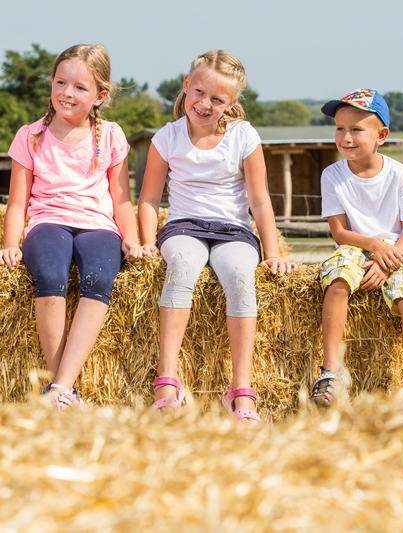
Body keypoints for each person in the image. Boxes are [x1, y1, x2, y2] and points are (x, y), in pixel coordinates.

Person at [138, 50, 294, 424]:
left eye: (218, 99)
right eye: (200, 93)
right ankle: (167, 382)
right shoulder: (168, 136)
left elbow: (259, 200)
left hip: (234, 231)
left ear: (232, 104)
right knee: (183, 266)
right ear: (186, 86)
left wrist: (271, 251)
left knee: (242, 277)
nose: (205, 104)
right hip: (184, 227)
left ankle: (241, 391)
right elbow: (146, 199)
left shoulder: (244, 136)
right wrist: (147, 241)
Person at [0, 43, 147, 410]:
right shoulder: (30, 136)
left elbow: (122, 199)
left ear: (100, 95)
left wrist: (133, 240)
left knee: (98, 278)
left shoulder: (110, 136)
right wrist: (10, 242)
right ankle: (60, 390)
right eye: (61, 82)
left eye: (80, 87)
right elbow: (17, 202)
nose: (67, 93)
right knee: (50, 274)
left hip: (98, 225)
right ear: (51, 84)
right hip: (48, 221)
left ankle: (59, 387)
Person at [312, 88, 403, 408]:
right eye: (340, 129)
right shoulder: (332, 175)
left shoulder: (398, 173)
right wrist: (373, 246)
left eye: (356, 129)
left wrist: (387, 262)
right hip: (356, 244)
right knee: (338, 280)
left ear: (381, 135)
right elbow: (340, 232)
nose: (346, 137)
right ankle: (330, 371)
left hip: (396, 250)